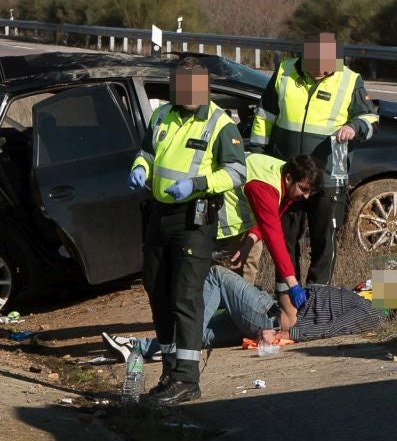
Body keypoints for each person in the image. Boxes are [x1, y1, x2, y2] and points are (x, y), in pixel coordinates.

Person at [131, 56, 247, 407]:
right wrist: (139, 167)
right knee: (158, 290)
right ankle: (169, 370)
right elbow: (146, 152)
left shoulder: (220, 124)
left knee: (185, 296)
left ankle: (187, 378)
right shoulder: (162, 115)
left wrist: (197, 183)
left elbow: (237, 172)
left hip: (193, 219)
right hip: (159, 215)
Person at [249, 30, 378, 286]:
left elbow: (370, 119)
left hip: (328, 177)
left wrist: (355, 127)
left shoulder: (349, 79)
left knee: (324, 242)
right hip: (286, 177)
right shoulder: (285, 72)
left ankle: (317, 300)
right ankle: (288, 296)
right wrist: (258, 157)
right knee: (284, 240)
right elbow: (264, 117)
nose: (323, 71)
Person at [105, 267, 387, 360]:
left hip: (271, 316)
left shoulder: (370, 312)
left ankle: (180, 354)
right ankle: (135, 349)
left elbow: (331, 329)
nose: (380, 279)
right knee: (201, 336)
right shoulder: (360, 297)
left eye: (392, 282)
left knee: (217, 276)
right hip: (272, 316)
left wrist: (283, 334)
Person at [218, 152, 324, 312]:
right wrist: (294, 285)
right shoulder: (266, 187)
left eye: (310, 191)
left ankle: (239, 310)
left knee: (249, 260)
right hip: (217, 222)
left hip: (242, 222)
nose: (306, 196)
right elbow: (274, 237)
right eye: (303, 189)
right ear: (289, 178)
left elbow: (267, 217)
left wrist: (249, 242)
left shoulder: (286, 176)